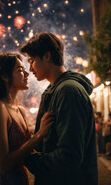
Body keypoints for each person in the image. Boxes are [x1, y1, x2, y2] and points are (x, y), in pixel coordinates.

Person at [20, 32, 98, 185]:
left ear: (47, 56)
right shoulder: (57, 89)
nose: (30, 68)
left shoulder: (67, 91)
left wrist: (31, 160)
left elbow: (69, 156)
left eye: (32, 61)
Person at [0, 52, 54, 185]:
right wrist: (39, 134)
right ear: (5, 76)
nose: (27, 74)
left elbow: (27, 149)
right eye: (20, 70)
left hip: (21, 179)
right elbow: (4, 163)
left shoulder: (20, 110)